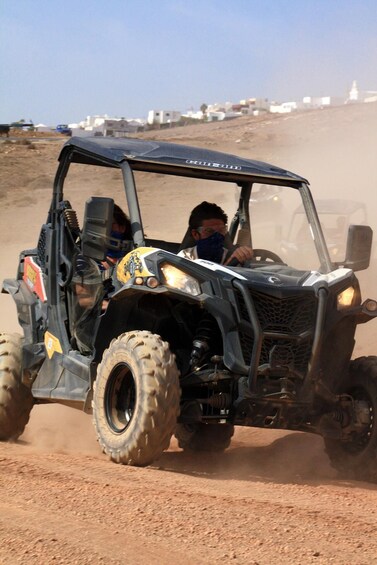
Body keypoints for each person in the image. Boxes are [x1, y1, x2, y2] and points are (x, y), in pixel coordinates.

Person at [70, 204, 132, 353]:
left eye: (113, 226)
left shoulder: (132, 257)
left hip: (130, 322)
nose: (107, 232)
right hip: (94, 327)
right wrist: (115, 307)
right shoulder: (85, 260)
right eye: (102, 227)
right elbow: (85, 300)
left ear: (123, 228)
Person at [179, 201, 253, 265]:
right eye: (209, 231)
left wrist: (244, 256)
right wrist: (229, 264)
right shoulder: (185, 258)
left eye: (221, 230)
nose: (217, 236)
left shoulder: (234, 256)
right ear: (195, 234)